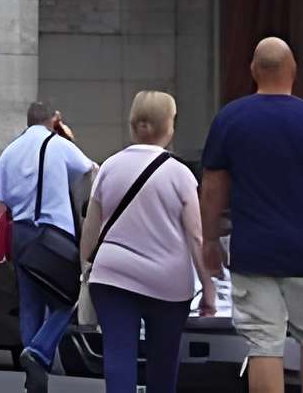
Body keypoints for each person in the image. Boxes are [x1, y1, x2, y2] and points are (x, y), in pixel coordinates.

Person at [199, 38, 303, 393]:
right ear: (294, 73)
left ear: (254, 71)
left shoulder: (230, 118)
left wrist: (209, 240)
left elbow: (212, 190)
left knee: (264, 344)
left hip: (253, 253)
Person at [82, 91, 208, 393]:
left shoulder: (109, 167)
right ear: (168, 126)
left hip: (112, 275)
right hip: (168, 281)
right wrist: (209, 287)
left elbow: (91, 225)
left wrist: (86, 267)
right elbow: (195, 235)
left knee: (118, 353)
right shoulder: (180, 174)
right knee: (163, 362)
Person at [0, 99, 97, 392]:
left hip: (20, 235)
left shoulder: (9, 151)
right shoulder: (58, 145)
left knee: (30, 303)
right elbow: (91, 170)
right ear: (54, 119)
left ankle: (34, 377)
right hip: (53, 236)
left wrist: (2, 244)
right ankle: (39, 353)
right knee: (68, 300)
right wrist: (68, 137)